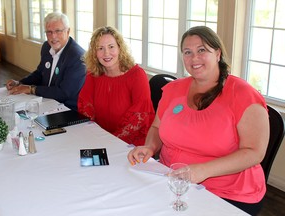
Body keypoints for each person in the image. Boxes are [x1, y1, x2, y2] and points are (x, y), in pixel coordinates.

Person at [127, 26, 270, 215]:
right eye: (188, 52)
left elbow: (254, 153)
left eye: (202, 50)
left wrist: (203, 170)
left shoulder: (244, 95)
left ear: (217, 53)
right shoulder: (173, 90)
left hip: (228, 193)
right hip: (173, 182)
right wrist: (150, 148)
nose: (194, 58)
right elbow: (156, 127)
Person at [78, 26, 155, 146]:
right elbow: (85, 106)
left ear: (120, 48)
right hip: (101, 138)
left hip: (131, 144)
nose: (106, 53)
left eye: (111, 47)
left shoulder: (137, 76)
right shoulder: (93, 73)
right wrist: (94, 133)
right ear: (94, 52)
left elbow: (138, 119)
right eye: (100, 48)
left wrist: (110, 140)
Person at [6, 12, 86, 111]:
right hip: (46, 102)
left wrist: (31, 89)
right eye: (49, 32)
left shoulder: (78, 57)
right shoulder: (46, 46)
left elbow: (64, 93)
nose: (53, 36)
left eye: (58, 31)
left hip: (68, 110)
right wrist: (20, 83)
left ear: (68, 31)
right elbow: (40, 73)